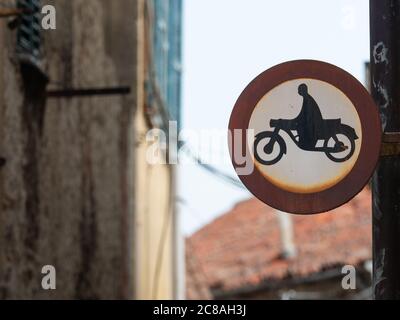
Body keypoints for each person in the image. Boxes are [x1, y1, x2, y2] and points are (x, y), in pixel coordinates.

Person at [294, 83, 324, 150]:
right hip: (312, 120)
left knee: (300, 127)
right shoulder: (306, 98)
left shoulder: (307, 99)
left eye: (300, 90)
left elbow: (305, 114)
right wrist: (297, 119)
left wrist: (297, 119)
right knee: (299, 125)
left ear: (304, 90)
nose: (299, 92)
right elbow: (303, 113)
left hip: (314, 122)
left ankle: (307, 144)